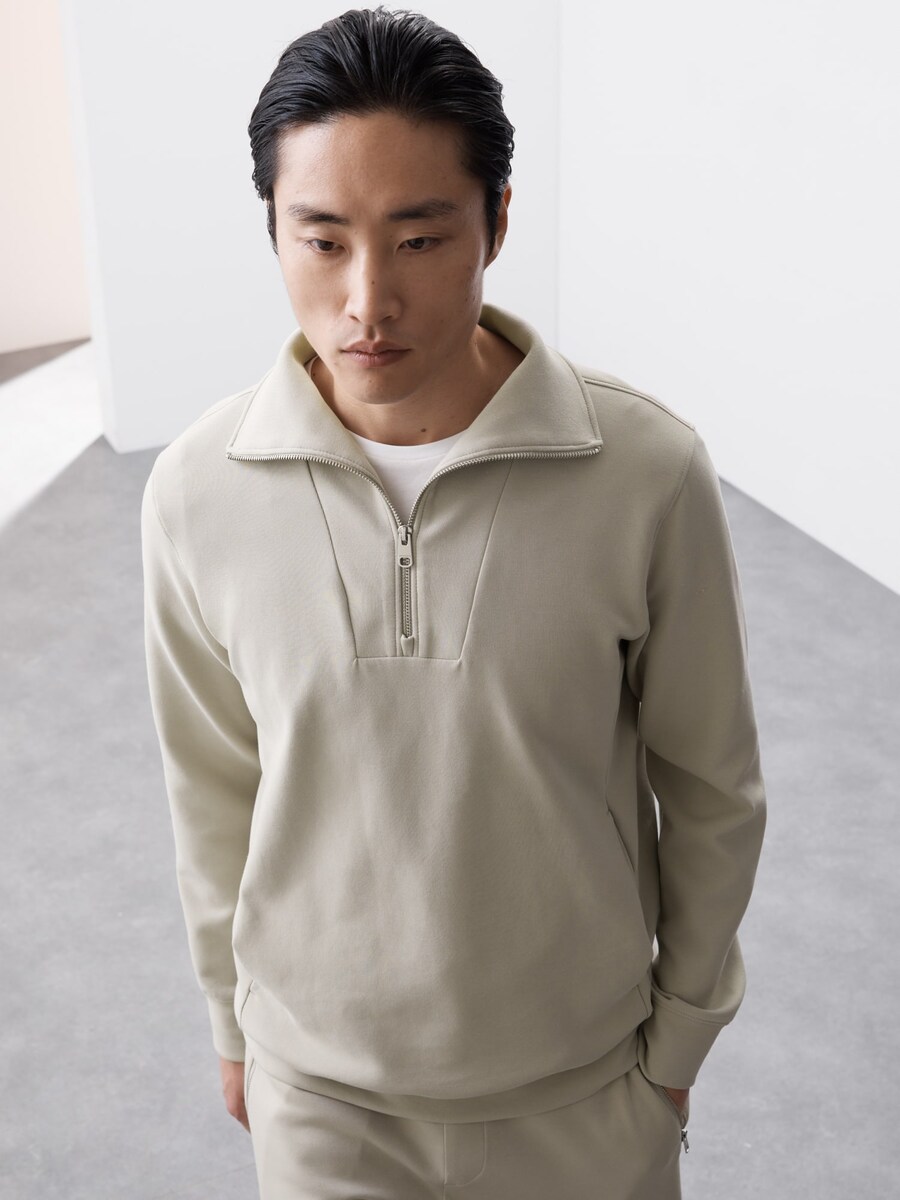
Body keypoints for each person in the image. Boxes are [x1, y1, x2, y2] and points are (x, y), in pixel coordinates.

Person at [140, 7, 767, 1198]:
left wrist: (678, 1043)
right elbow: (211, 789)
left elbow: (711, 784)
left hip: (583, 1095)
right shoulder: (195, 492)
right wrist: (234, 1024)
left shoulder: (644, 472)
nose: (367, 300)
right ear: (272, 229)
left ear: (498, 222)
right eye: (322, 240)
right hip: (322, 1104)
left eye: (420, 239)